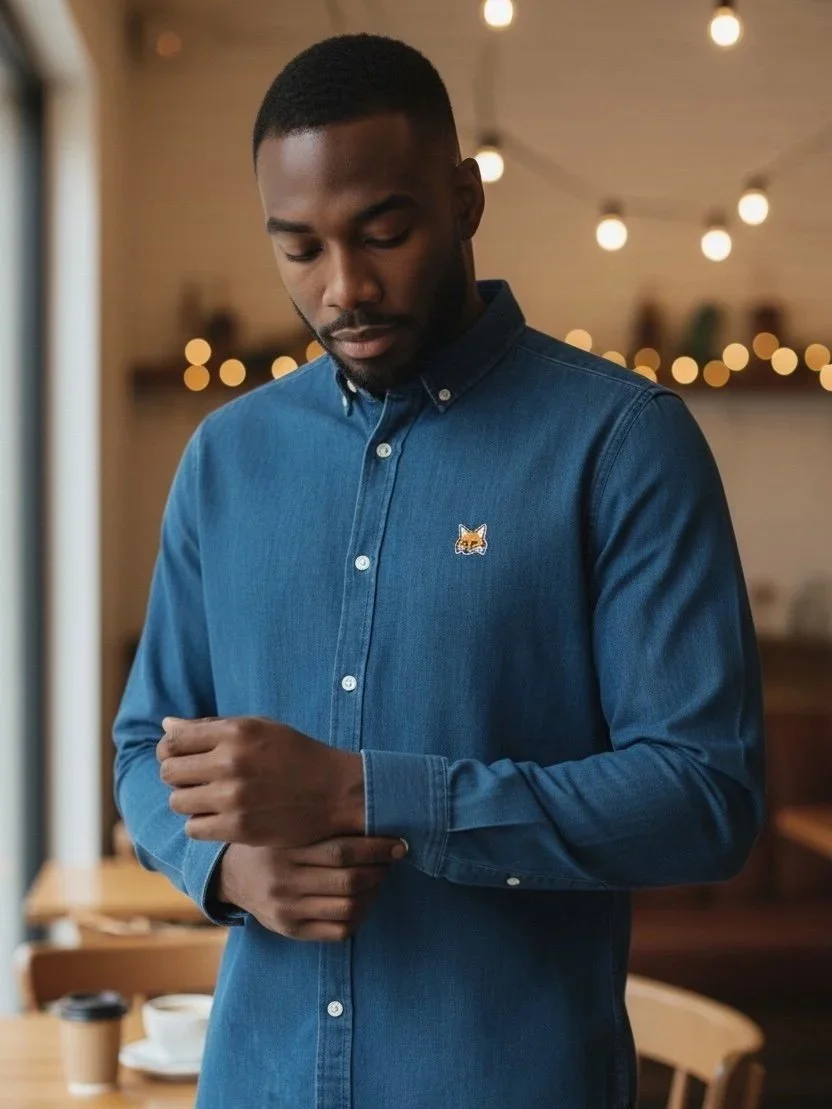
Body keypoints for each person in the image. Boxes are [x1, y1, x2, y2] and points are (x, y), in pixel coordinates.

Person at [113, 33, 765, 1109]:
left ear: (463, 198)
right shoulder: (224, 459)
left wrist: (367, 789)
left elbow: (705, 795)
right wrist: (222, 870)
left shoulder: (622, 443)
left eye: (385, 231)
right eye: (299, 250)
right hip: (256, 1082)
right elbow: (147, 743)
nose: (345, 288)